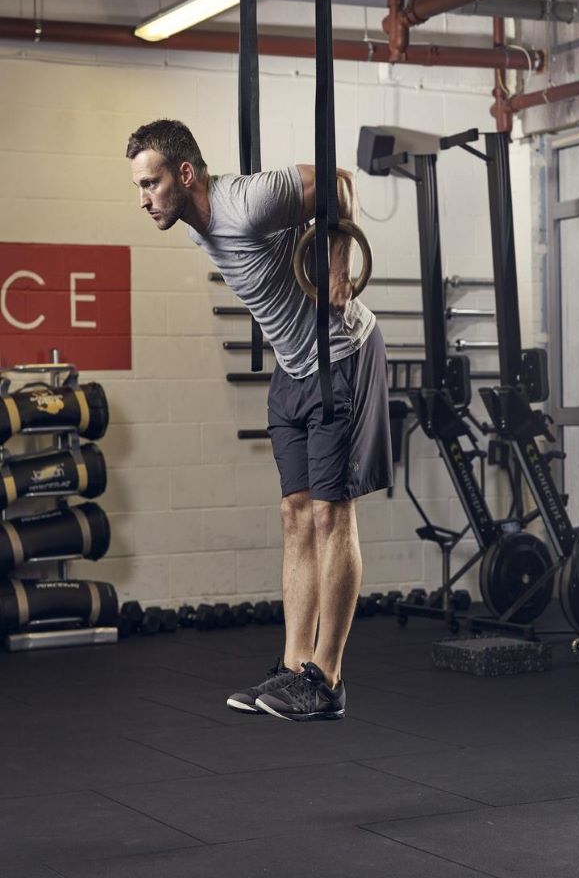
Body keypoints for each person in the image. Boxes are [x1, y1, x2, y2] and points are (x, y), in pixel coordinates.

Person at [126, 119, 393, 722]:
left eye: (151, 184)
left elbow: (339, 184)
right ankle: (294, 666)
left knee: (331, 511)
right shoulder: (197, 224)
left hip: (340, 355)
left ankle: (327, 678)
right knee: (294, 512)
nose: (143, 199)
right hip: (293, 367)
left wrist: (338, 264)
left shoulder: (243, 202)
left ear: (185, 173)